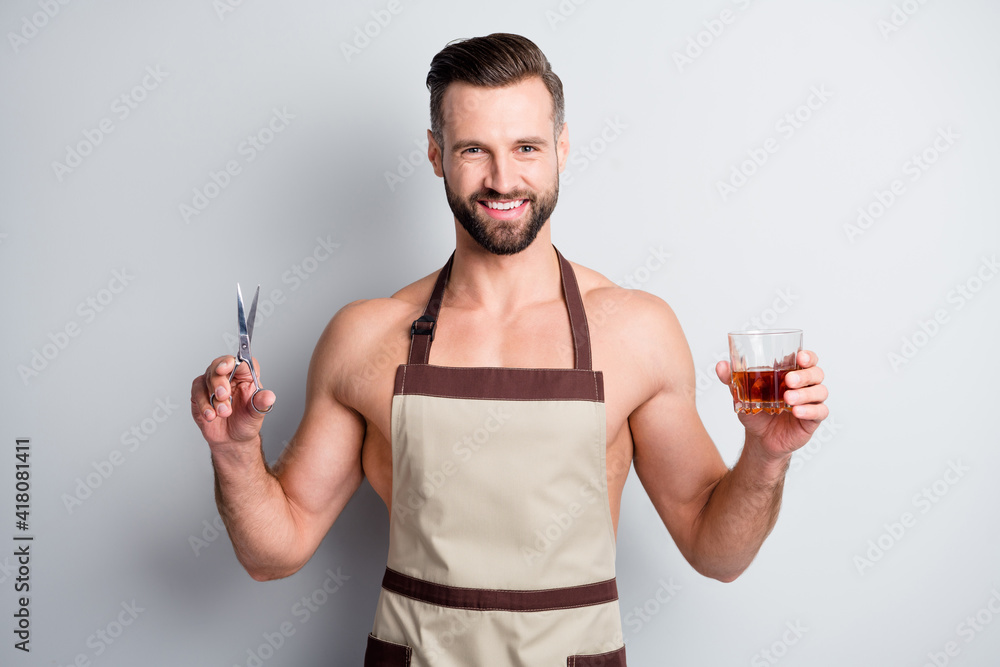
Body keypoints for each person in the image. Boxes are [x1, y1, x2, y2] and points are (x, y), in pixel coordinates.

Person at [190, 33, 828, 666]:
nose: (503, 178)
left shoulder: (635, 332)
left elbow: (716, 554)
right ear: (437, 155)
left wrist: (765, 458)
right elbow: (274, 555)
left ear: (562, 148)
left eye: (526, 147)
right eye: (474, 149)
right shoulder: (366, 338)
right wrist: (236, 453)